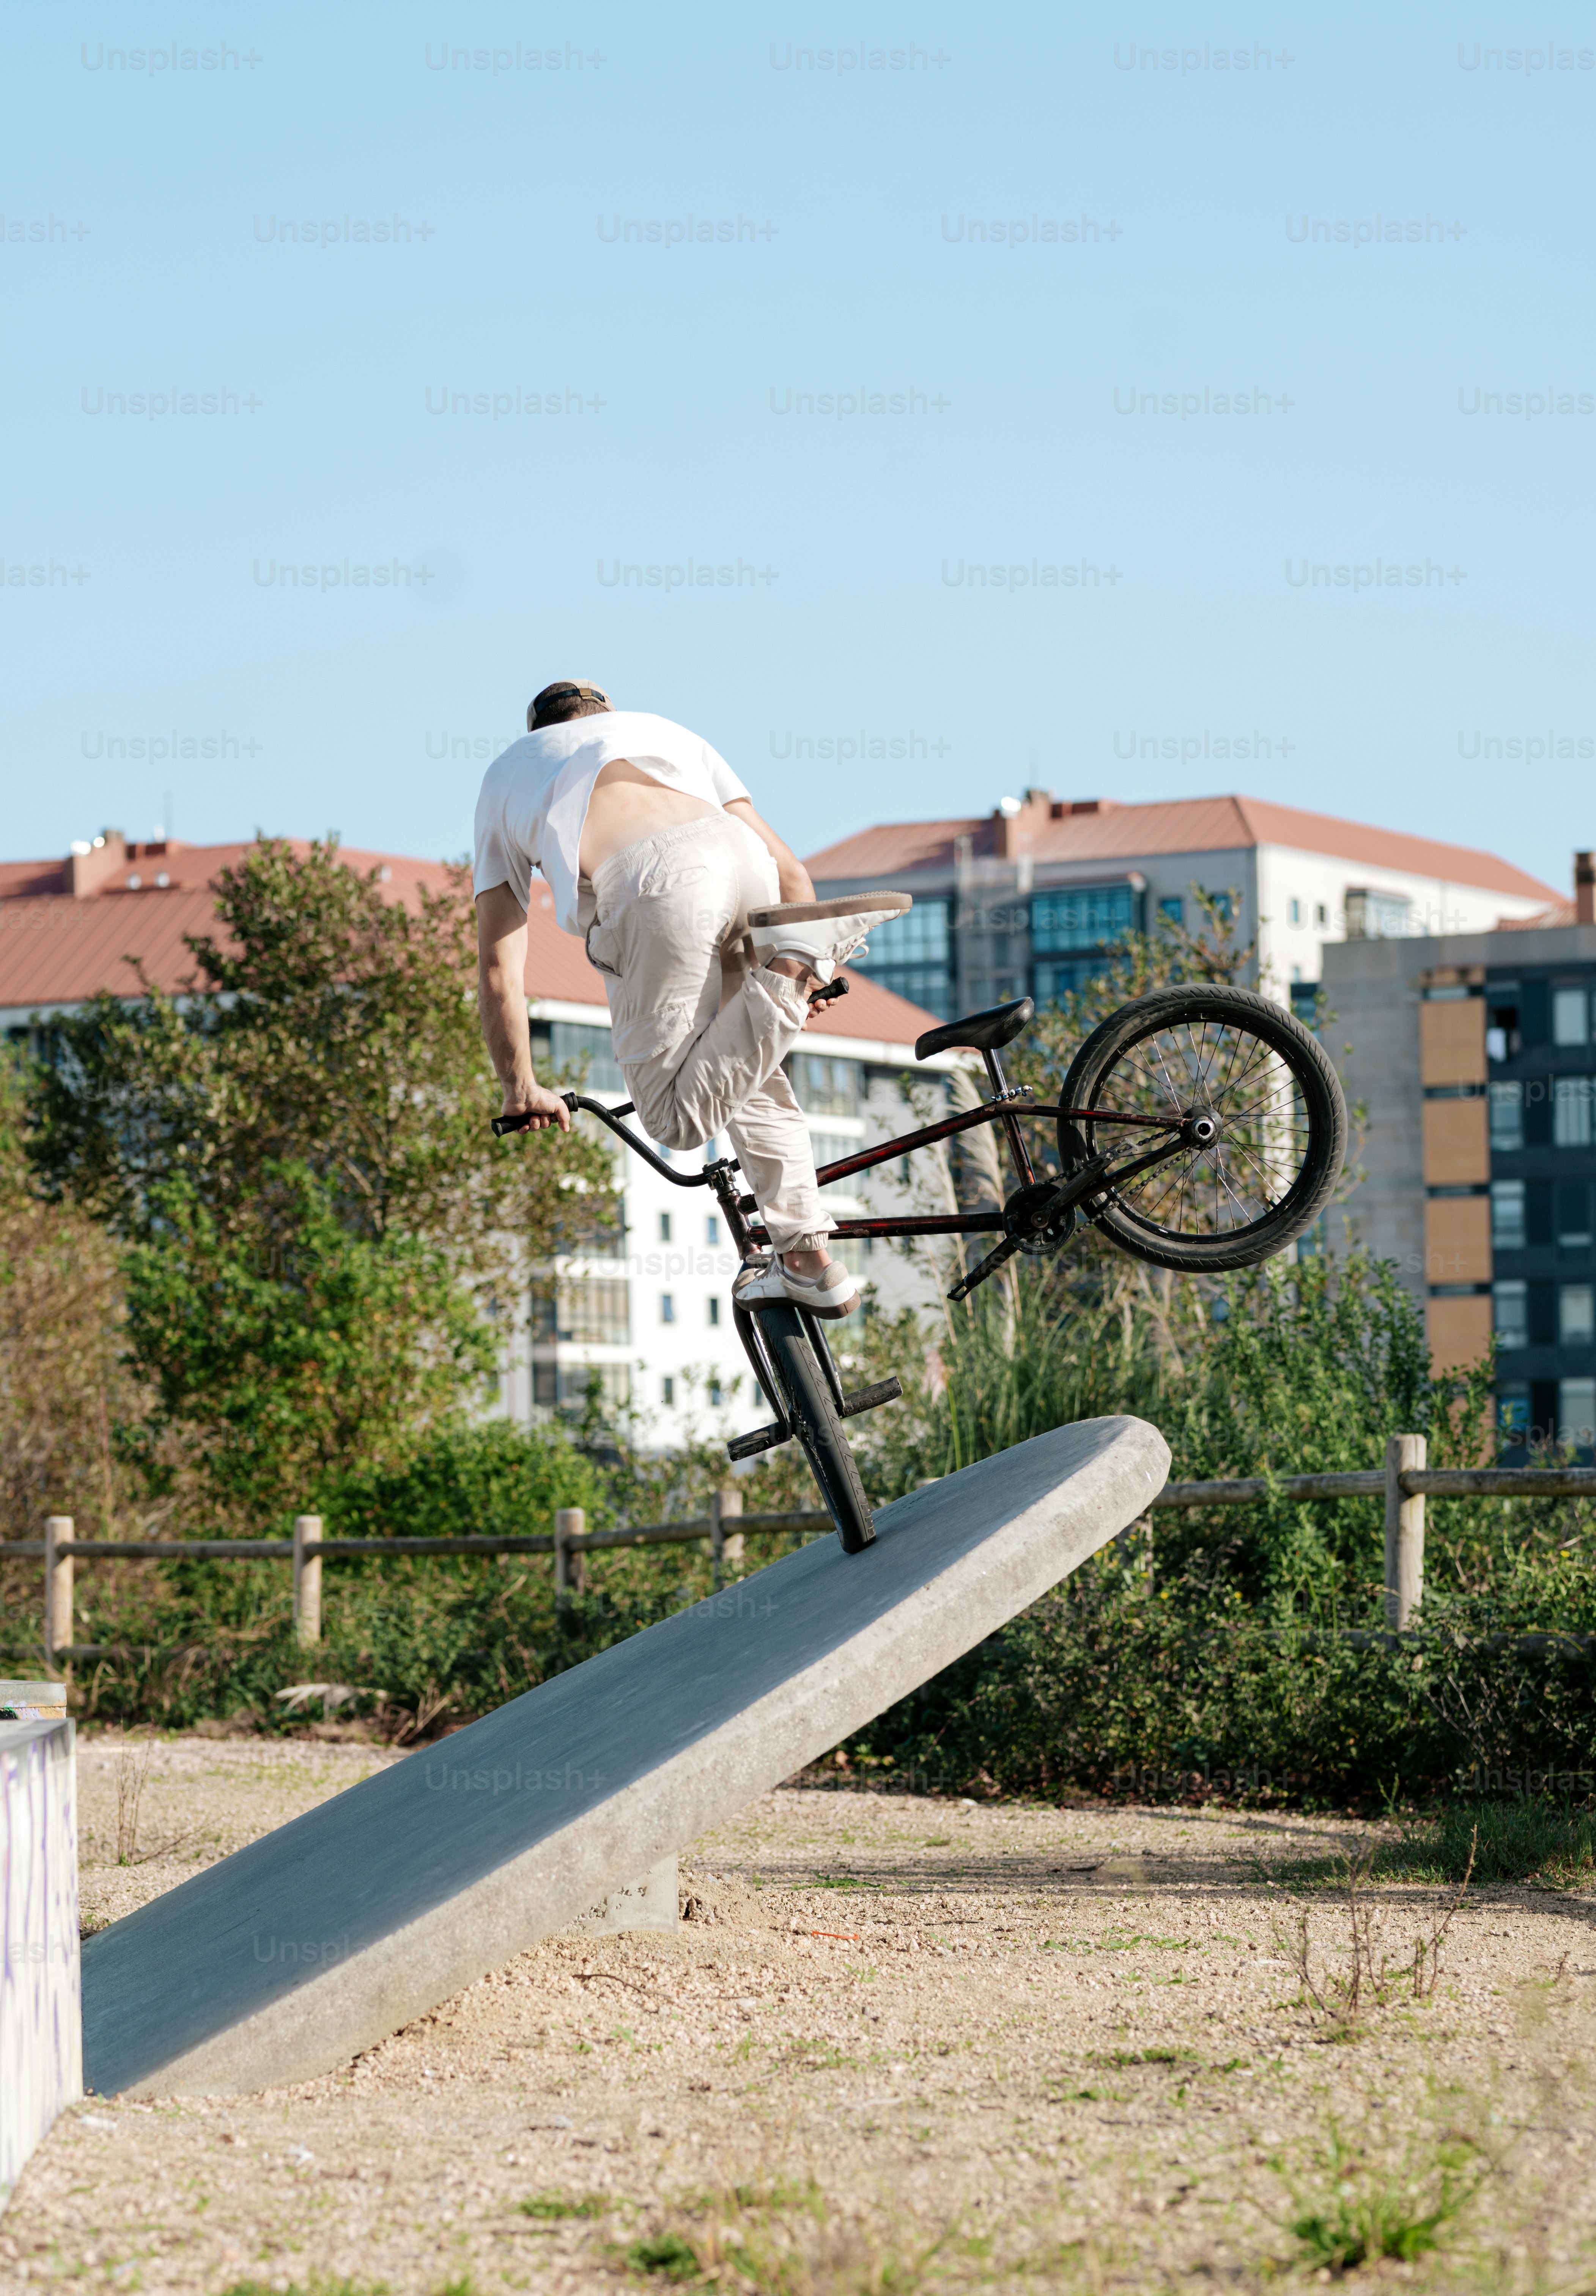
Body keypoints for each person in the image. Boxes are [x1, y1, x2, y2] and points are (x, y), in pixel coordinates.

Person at [473, 680, 907, 1317]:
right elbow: (790, 871)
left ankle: (786, 969)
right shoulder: (668, 732)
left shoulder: (510, 771)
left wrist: (519, 1087)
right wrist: (820, 971)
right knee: (746, 1073)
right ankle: (809, 1258)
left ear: (536, 729)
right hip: (743, 861)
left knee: (678, 1121)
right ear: (606, 715)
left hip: (652, 883)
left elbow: (496, 969)